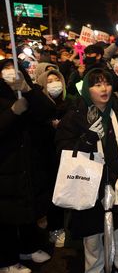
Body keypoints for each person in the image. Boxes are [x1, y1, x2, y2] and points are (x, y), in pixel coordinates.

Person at [55, 68, 118, 272]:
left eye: (107, 83)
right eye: (97, 84)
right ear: (87, 89)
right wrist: (87, 139)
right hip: (88, 182)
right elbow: (62, 150)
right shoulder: (75, 114)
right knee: (92, 236)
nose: (104, 89)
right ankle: (95, 268)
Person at [0, 60, 54, 273]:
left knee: (28, 210)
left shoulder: (29, 91)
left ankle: (29, 248)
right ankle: (6, 261)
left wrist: (28, 91)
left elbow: (47, 111)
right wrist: (12, 113)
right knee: (6, 218)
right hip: (5, 166)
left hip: (29, 163)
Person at [35, 68, 70, 248]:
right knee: (53, 194)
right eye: (49, 81)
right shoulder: (38, 108)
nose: (54, 83)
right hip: (47, 158)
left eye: (57, 79)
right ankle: (55, 228)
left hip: (67, 157)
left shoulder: (69, 103)